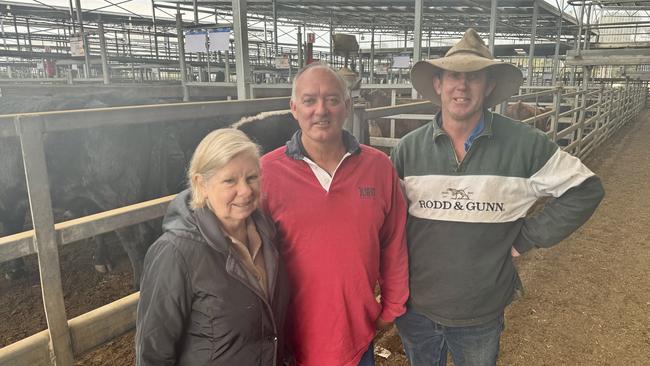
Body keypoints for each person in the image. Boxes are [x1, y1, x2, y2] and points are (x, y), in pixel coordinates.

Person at [390, 28, 605, 366]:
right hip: (417, 308)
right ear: (438, 84)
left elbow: (586, 188)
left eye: (474, 77)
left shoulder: (525, 144)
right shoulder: (407, 150)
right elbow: (388, 220)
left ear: (489, 86)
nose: (462, 86)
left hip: (480, 309)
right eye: (453, 76)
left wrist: (528, 237)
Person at [260, 62, 409, 366]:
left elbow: (393, 240)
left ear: (348, 105)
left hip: (356, 336)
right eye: (309, 100)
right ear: (293, 108)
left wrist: (392, 304)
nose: (321, 110)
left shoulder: (378, 167)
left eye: (332, 99)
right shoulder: (266, 173)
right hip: (291, 340)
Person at [135, 128, 290, 365]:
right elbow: (153, 353)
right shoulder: (174, 252)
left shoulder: (267, 233)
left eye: (252, 178)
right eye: (230, 180)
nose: (246, 191)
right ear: (201, 184)